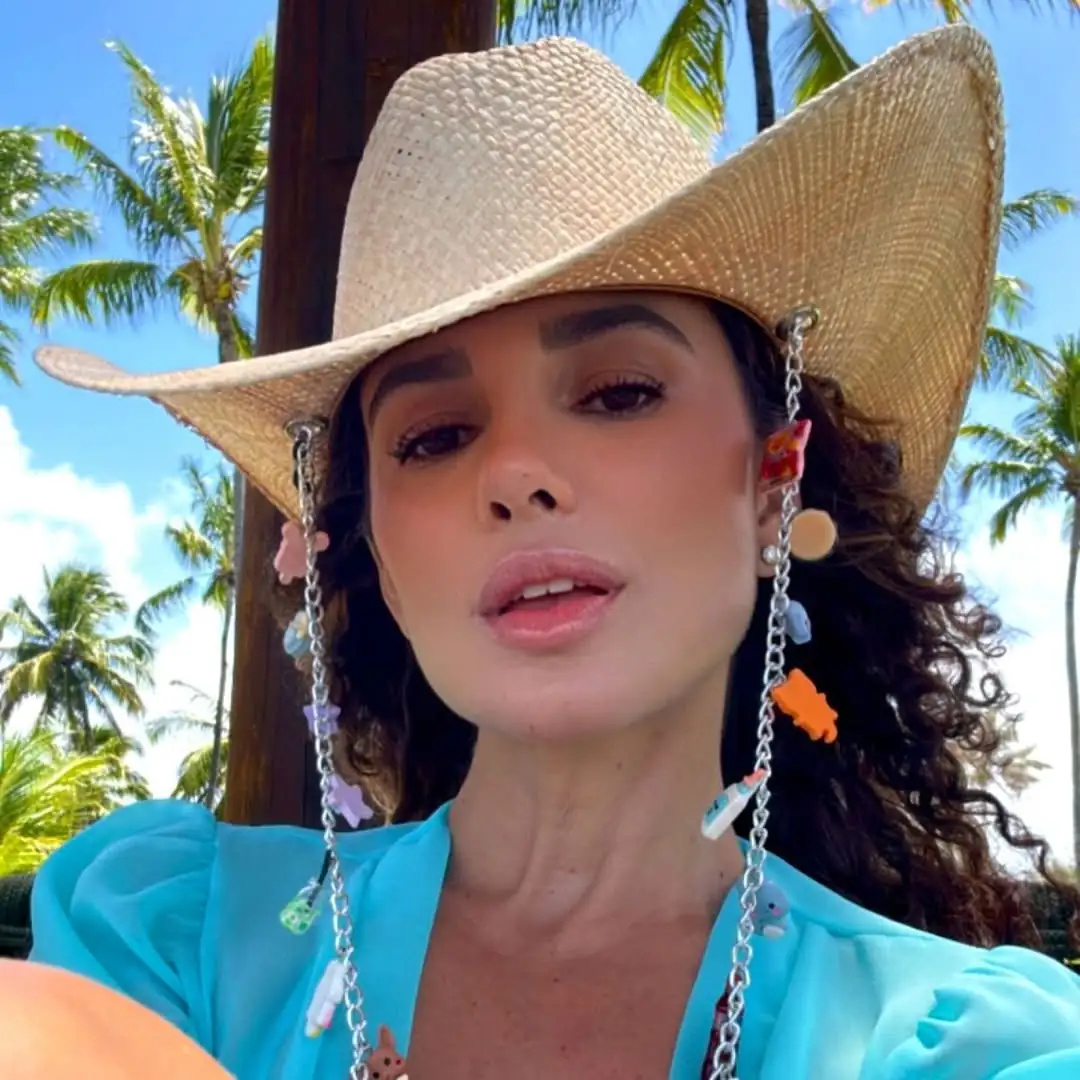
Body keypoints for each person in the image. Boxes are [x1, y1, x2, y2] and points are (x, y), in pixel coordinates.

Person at [5, 22, 1080, 1080]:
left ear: (773, 483)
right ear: (378, 557)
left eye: (619, 393)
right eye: (434, 437)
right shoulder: (171, 949)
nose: (517, 473)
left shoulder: (965, 1047)